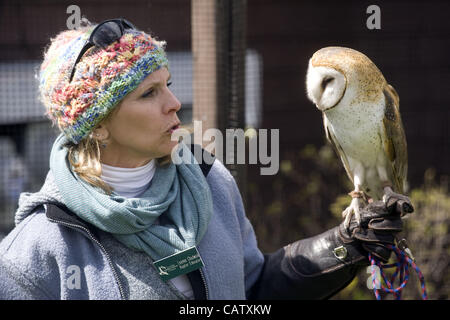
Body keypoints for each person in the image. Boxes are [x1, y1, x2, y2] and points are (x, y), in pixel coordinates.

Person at [0, 18, 411, 300]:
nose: (174, 104)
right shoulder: (39, 247)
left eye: (169, 85)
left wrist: (344, 247)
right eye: (149, 94)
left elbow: (250, 289)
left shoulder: (209, 182)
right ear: (98, 125)